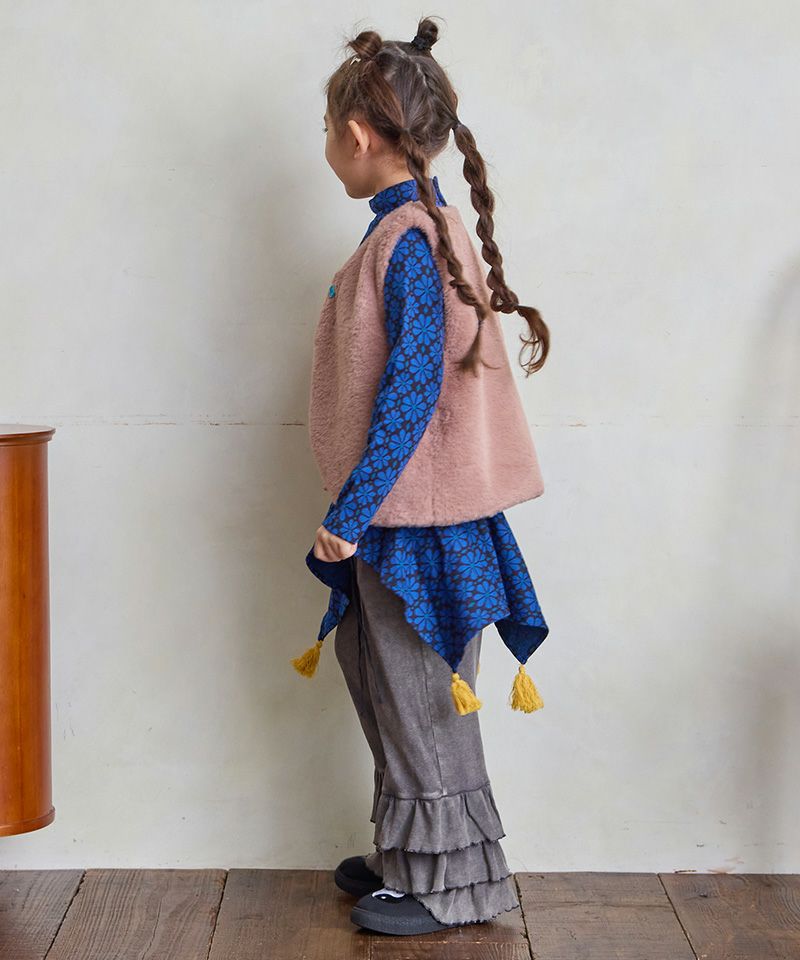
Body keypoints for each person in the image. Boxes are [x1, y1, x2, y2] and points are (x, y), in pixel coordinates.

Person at [291, 17, 552, 937]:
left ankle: (455, 887)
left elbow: (412, 392)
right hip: (405, 516)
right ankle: (413, 856)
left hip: (415, 524)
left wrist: (352, 512)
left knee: (419, 697)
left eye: (329, 132)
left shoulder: (409, 239)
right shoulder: (416, 231)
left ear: (358, 135)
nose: (329, 147)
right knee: (385, 683)